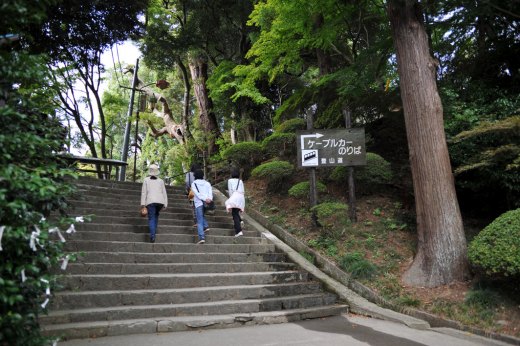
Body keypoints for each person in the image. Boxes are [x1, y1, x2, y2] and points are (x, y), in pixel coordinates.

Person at [140, 164, 168, 243]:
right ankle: (154, 233)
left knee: (151, 218)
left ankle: (152, 236)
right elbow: (164, 193)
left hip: (150, 201)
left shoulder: (146, 180)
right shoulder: (161, 181)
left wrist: (143, 204)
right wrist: (165, 204)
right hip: (160, 202)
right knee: (155, 216)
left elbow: (144, 193)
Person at [191, 169, 212, 244]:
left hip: (199, 203)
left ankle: (201, 237)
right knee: (201, 216)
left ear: (195, 176)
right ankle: (206, 226)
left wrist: (204, 199)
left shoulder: (194, 183)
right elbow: (210, 192)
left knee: (199, 220)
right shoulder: (207, 183)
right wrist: (209, 199)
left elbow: (197, 194)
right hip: (207, 203)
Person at [225, 167, 245, 237]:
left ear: (232, 174)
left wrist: (231, 199)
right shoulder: (241, 181)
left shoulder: (230, 181)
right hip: (241, 197)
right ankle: (240, 221)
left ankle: (239, 231)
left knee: (234, 213)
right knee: (236, 212)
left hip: (234, 196)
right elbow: (243, 191)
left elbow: (230, 191)